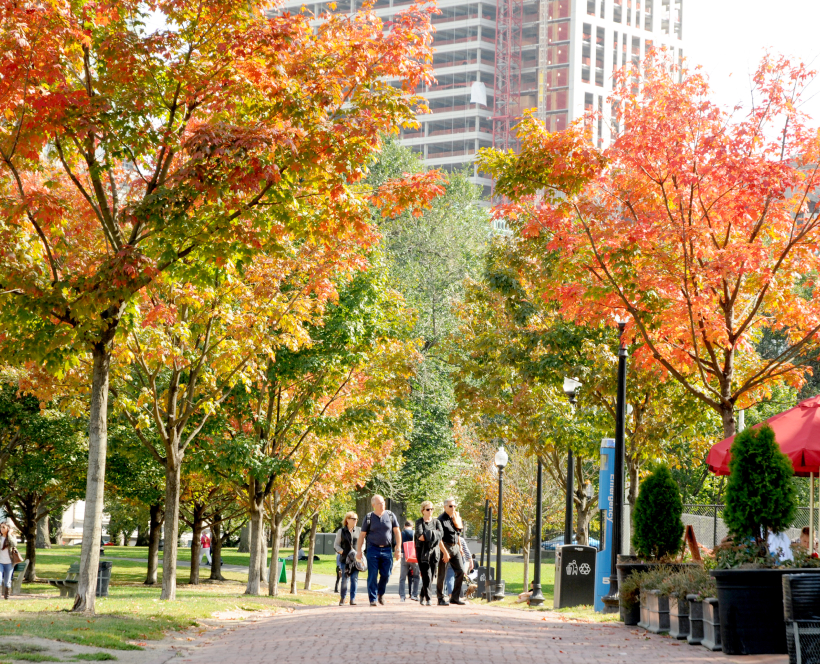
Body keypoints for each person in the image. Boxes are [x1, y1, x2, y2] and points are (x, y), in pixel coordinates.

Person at [356, 494, 400, 607]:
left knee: (386, 574)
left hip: (387, 550)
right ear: (373, 505)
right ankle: (373, 598)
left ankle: (381, 594)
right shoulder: (369, 517)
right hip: (373, 550)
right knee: (372, 575)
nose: (382, 505)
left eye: (383, 502)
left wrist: (398, 548)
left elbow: (397, 532)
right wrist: (359, 550)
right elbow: (362, 535)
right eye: (379, 503)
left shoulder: (390, 515)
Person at [437, 497, 468, 606]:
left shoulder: (455, 517)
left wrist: (460, 547)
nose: (453, 508)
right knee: (442, 574)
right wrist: (445, 552)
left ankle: (455, 597)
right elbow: (439, 539)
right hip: (444, 546)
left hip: (455, 547)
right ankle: (440, 598)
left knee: (460, 571)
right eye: (450, 506)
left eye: (454, 506)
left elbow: (457, 534)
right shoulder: (440, 519)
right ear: (445, 507)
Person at [414, 501, 444, 606]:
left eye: (432, 509)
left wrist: (429, 535)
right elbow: (420, 536)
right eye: (428, 509)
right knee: (426, 574)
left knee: (431, 576)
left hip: (435, 552)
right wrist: (434, 534)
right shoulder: (419, 522)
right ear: (423, 510)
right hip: (422, 551)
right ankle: (429, 598)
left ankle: (422, 594)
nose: (430, 511)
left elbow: (441, 535)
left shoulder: (437, 522)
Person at [334, 512, 361, 605]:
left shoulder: (359, 530)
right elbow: (336, 545)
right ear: (347, 520)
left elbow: (363, 543)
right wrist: (343, 552)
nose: (355, 521)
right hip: (345, 559)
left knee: (354, 578)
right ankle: (342, 598)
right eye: (353, 519)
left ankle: (352, 599)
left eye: (356, 519)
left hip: (356, 559)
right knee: (345, 579)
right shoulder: (341, 531)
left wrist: (360, 551)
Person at [399, 520, 420, 601]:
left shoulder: (402, 533)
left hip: (404, 555)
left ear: (404, 526)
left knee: (402, 577)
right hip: (413, 556)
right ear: (412, 526)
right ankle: (414, 594)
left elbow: (397, 543)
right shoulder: (415, 533)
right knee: (416, 576)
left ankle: (402, 596)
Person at [0, 522, 17, 600]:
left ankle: (7, 597)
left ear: (8, 528)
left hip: (9, 562)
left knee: (7, 581)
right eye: (1, 527)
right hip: (0, 562)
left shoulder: (12, 537)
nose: (2, 529)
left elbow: (14, 544)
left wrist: (9, 535)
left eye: (4, 527)